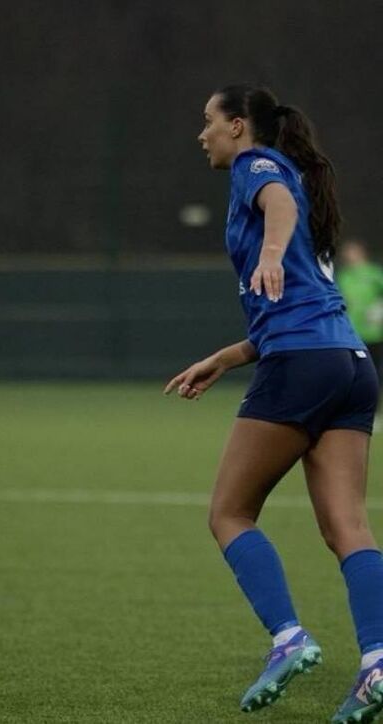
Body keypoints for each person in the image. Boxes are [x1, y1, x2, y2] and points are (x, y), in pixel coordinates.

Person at [164, 84, 383, 723]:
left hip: (301, 366)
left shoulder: (256, 168)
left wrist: (266, 250)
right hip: (351, 366)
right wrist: (226, 357)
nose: (201, 134)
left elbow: (279, 205)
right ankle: (376, 662)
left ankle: (288, 636)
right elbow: (301, 306)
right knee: (348, 528)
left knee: (229, 513)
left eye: (207, 121)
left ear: (238, 126)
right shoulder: (293, 190)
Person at [337, 238, 383, 425]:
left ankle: (374, 411)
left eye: (352, 251)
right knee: (350, 374)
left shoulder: (374, 273)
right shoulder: (344, 276)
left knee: (373, 374)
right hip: (351, 333)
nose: (349, 255)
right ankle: (350, 411)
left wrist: (379, 309)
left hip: (373, 333)